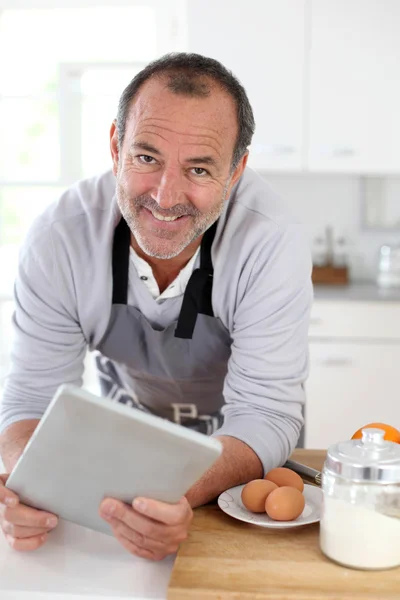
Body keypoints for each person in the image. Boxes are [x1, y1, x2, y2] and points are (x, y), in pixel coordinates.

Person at [0, 53, 312, 560]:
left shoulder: (271, 242)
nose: (166, 197)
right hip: (120, 465)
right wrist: (26, 484)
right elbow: (32, 403)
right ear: (115, 146)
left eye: (200, 168)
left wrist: (170, 494)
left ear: (236, 172)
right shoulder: (60, 238)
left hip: (235, 471)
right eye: (146, 157)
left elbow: (266, 414)